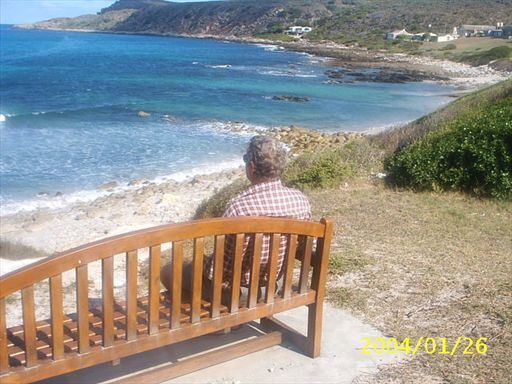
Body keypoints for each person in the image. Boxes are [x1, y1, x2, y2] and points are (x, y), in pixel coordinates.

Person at [160, 135, 311, 300]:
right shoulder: (300, 201)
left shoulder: (239, 209)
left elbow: (219, 270)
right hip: (275, 285)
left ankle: (199, 315)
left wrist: (201, 262)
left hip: (237, 294)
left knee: (168, 271)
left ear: (252, 167)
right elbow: (303, 247)